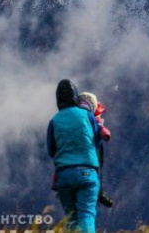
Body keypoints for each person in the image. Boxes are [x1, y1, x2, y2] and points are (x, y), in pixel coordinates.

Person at [47, 79, 101, 233]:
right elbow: (97, 140)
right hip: (87, 173)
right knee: (86, 215)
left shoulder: (54, 121)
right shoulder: (86, 115)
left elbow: (51, 150)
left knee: (71, 219)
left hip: (64, 175)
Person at [77, 92, 114, 207]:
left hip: (75, 158)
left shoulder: (72, 118)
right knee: (96, 170)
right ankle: (98, 192)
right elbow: (104, 134)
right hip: (91, 158)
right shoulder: (93, 119)